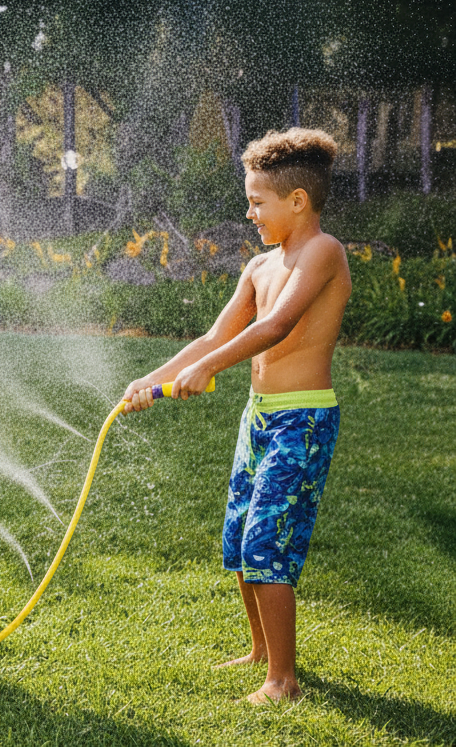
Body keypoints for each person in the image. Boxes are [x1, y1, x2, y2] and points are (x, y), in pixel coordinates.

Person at [120, 128, 350, 703]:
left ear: (298, 200)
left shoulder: (323, 253)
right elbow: (215, 334)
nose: (249, 213)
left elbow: (275, 328)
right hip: (260, 417)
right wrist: (153, 378)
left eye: (257, 202)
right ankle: (260, 652)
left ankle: (284, 679)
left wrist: (209, 369)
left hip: (302, 420)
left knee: (266, 543)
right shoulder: (259, 266)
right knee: (241, 534)